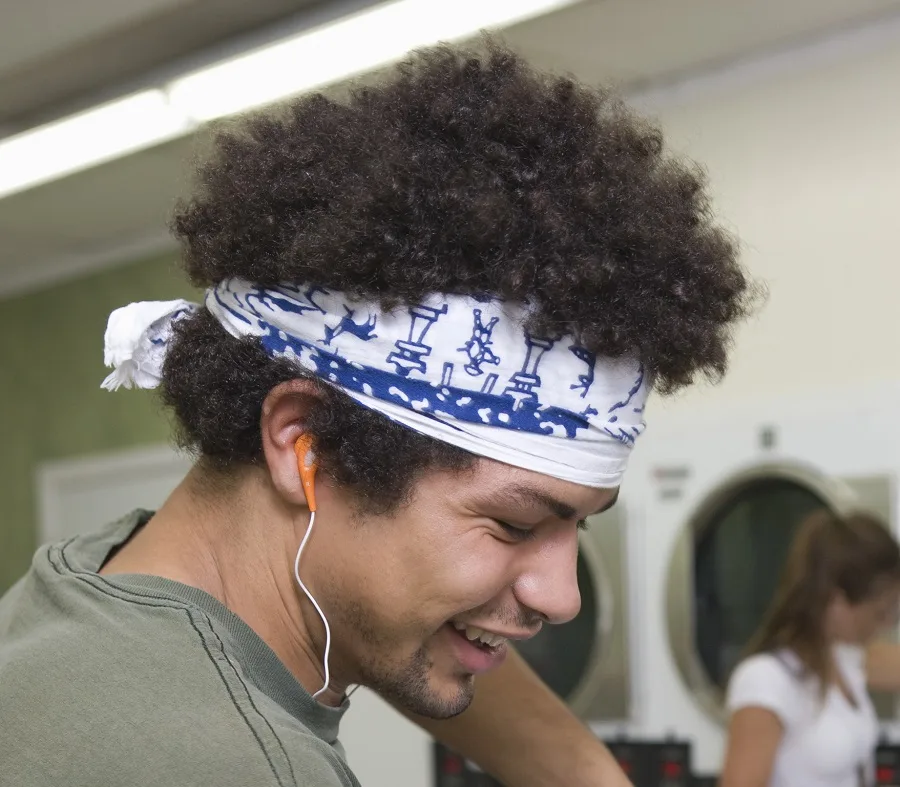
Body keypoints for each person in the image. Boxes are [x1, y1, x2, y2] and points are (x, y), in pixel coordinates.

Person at [0, 40, 756, 787]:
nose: (564, 597)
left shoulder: (97, 583)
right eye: (515, 525)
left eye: (578, 524)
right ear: (304, 442)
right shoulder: (240, 765)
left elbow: (410, 612)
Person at [721, 509, 900, 787]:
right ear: (837, 602)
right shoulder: (765, 680)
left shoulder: (842, 660)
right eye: (879, 613)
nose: (886, 624)